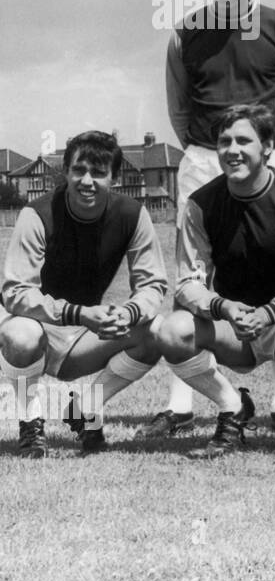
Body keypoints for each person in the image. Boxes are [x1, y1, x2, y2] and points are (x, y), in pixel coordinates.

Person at [147, 0, 275, 439]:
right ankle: (182, 404)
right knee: (194, 275)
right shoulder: (185, 33)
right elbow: (178, 105)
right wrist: (201, 148)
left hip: (265, 157)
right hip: (203, 156)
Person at [157, 104, 275, 455]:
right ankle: (232, 408)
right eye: (224, 141)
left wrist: (270, 312)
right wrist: (224, 306)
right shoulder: (200, 204)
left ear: (268, 147)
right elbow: (187, 283)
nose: (232, 150)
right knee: (172, 330)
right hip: (236, 326)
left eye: (244, 140)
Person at [1, 132, 168, 456]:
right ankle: (30, 423)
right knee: (23, 335)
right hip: (29, 328)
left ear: (115, 177)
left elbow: (152, 284)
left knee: (155, 332)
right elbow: (17, 292)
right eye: (79, 170)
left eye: (98, 172)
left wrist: (128, 313)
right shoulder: (36, 214)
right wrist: (78, 314)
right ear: (65, 171)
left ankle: (86, 408)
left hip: (80, 337)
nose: (87, 181)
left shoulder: (133, 215)